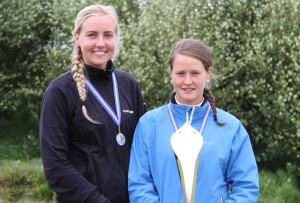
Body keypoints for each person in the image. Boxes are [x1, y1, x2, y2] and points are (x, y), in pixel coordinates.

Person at [128, 38, 259, 202]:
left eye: (195, 73)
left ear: (208, 73)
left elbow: (246, 187)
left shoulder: (231, 127)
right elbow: (139, 185)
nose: (187, 81)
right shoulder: (148, 125)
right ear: (171, 74)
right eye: (180, 73)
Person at [39, 4, 147, 203]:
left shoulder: (128, 84)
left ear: (116, 38)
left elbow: (144, 151)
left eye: (107, 35)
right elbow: (56, 167)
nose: (100, 43)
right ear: (77, 37)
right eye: (92, 35)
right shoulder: (60, 91)